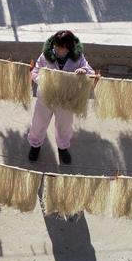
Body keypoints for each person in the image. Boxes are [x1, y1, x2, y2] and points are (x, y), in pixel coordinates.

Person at [27, 30, 94, 165]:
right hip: (46, 96)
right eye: (56, 46)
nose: (56, 49)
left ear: (68, 48)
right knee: (39, 122)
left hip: (66, 100)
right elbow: (34, 71)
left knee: (64, 126)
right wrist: (45, 80)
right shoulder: (46, 56)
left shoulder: (78, 57)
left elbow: (91, 72)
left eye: (61, 47)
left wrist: (83, 71)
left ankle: (63, 148)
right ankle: (35, 145)